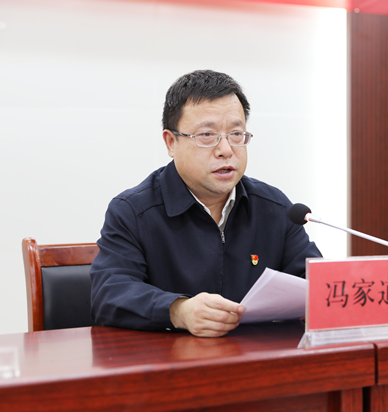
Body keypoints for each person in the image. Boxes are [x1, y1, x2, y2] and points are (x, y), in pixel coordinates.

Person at [90, 70, 321, 337]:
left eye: (236, 134)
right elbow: (109, 293)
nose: (226, 149)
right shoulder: (133, 211)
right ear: (171, 142)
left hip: (256, 356)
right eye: (207, 135)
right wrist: (178, 310)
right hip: (174, 359)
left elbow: (316, 285)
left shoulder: (275, 208)